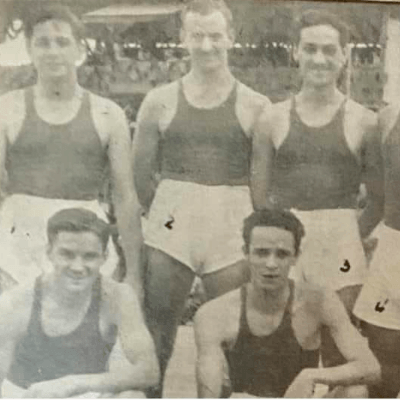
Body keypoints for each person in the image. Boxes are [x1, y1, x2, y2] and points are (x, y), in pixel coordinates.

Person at [132, 0, 270, 394]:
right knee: (157, 332)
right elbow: (141, 177)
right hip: (173, 219)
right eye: (197, 36)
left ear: (231, 37)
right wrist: (170, 215)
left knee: (228, 335)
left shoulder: (256, 105)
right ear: (183, 39)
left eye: (215, 36)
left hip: (230, 220)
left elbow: (262, 182)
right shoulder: (159, 100)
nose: (207, 45)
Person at [0, 5, 142, 293]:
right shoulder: (7, 108)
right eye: (43, 42)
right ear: (29, 49)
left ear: (79, 50)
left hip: (84, 234)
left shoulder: (108, 114)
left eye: (62, 42)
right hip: (19, 237)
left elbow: (125, 198)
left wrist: (135, 276)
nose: (53, 51)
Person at [252, 10, 383, 312]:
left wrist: (349, 235)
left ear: (344, 55)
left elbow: (378, 200)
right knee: (287, 342)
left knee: (339, 342)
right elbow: (259, 197)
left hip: (340, 237)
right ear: (296, 52)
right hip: (287, 238)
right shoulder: (271, 118)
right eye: (310, 49)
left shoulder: (364, 121)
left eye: (329, 50)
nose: (319, 59)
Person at [195, 208, 381, 398]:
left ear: (295, 257)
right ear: (246, 253)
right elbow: (208, 391)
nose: (271, 264)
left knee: (355, 391)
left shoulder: (317, 301)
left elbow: (370, 367)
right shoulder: (214, 313)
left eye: (282, 254)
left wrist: (310, 376)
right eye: (261, 253)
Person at [0, 208, 158, 398]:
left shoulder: (118, 296)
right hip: (26, 394)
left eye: (89, 256)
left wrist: (72, 384)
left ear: (104, 257)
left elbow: (149, 370)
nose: (77, 267)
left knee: (133, 397)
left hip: (84, 393)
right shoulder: (17, 301)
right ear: (49, 252)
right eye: (67, 254)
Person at [352, 102, 400, 397]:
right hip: (394, 249)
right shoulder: (388, 118)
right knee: (384, 368)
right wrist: (348, 244)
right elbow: (376, 201)